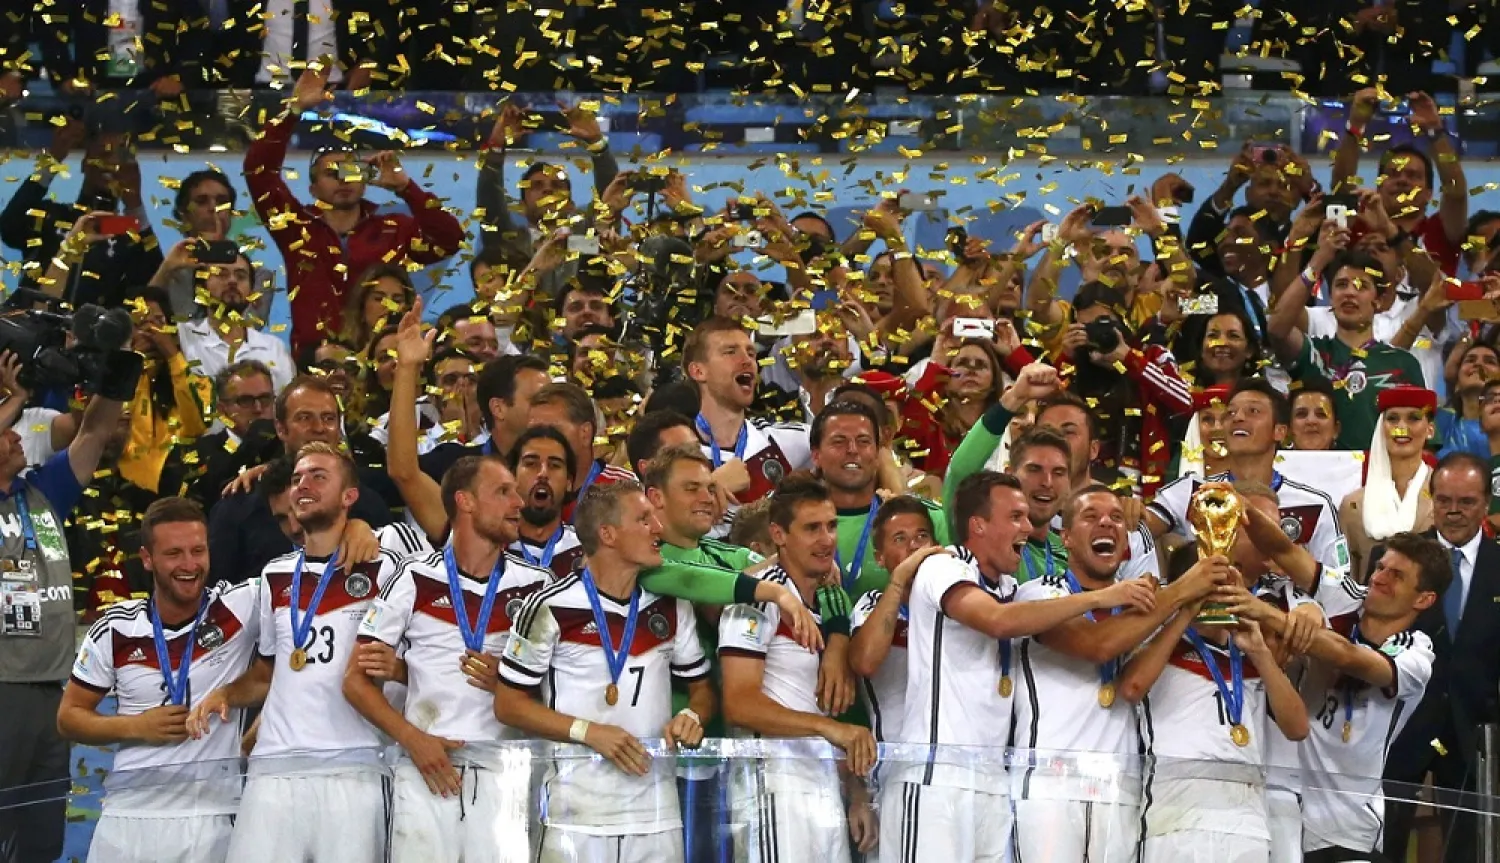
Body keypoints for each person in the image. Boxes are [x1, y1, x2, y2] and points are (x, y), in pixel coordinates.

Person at [883, 471, 1154, 862]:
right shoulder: (943, 568)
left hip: (992, 782)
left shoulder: (1011, 589)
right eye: (1016, 517)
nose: (1028, 527)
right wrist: (1100, 598)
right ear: (978, 525)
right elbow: (997, 621)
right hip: (935, 774)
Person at [193, 444, 407, 863]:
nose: (303, 485)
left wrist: (399, 668)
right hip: (275, 770)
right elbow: (269, 674)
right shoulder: (274, 576)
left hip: (353, 768)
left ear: (350, 497)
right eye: (297, 479)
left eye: (318, 477)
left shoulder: (389, 567)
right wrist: (226, 694)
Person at [346, 455, 553, 862]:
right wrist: (412, 739)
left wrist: (514, 685)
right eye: (503, 492)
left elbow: (559, 693)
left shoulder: (537, 587)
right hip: (425, 769)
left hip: (505, 775)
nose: (519, 502)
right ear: (466, 502)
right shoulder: (412, 576)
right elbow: (354, 681)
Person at [496, 481, 716, 862]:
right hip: (575, 814)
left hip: (656, 814)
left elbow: (702, 690)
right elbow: (508, 704)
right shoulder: (549, 606)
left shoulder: (669, 607)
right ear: (608, 534)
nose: (658, 529)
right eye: (644, 519)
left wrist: (693, 714)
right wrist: (589, 732)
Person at [1012, 485, 1229, 863]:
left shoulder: (1146, 607)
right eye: (1091, 517)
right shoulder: (1039, 594)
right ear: (1066, 538)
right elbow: (1098, 644)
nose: (1107, 524)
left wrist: (1186, 605)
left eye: (1115, 517)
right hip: (1051, 783)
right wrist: (1179, 592)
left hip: (1121, 787)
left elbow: (1134, 682)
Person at [1224, 523, 1446, 861]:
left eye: (1396, 576)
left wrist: (1268, 615)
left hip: (1349, 823)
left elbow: (1348, 656)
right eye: (1380, 567)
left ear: (1423, 598)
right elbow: (1284, 551)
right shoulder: (1344, 598)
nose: (1379, 578)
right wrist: (1238, 504)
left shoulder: (1416, 651)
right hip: (1284, 810)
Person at [1120, 481, 1311, 863]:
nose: (1222, 586)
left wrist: (1260, 651)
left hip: (1248, 822)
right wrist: (1187, 611)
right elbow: (1132, 687)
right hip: (1175, 819)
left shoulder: (1252, 653)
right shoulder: (1162, 643)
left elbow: (1297, 727)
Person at [57, 498, 257, 863]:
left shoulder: (239, 607)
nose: (189, 565)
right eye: (174, 553)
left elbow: (307, 566)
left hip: (209, 817)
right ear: (147, 559)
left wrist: (356, 528)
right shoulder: (115, 628)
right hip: (126, 818)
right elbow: (69, 717)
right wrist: (136, 727)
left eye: (198, 551)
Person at [0, 348, 137, 863]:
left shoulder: (41, 494)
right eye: (8, 429)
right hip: (1, 684)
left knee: (40, 840)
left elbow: (94, 434)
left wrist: (116, 379)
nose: (17, 436)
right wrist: (16, 397)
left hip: (50, 688)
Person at [243, 64, 463, 353]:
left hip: (382, 358)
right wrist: (292, 110)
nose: (342, 180)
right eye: (331, 173)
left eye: (350, 171)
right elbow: (259, 171)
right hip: (315, 362)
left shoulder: (394, 229)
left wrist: (406, 187)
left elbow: (450, 240)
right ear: (312, 188)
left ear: (364, 181)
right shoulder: (296, 227)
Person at [717, 476, 878, 863]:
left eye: (831, 526)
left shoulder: (828, 602)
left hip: (820, 780)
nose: (826, 539)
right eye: (811, 528)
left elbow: (828, 705)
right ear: (779, 534)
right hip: (771, 783)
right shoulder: (756, 597)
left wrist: (854, 790)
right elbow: (739, 703)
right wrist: (827, 728)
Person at [1383, 453, 1500, 863]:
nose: (1453, 511)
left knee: (1471, 848)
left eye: (1466, 502)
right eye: (1444, 499)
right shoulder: (1396, 560)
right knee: (1385, 839)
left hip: (1477, 729)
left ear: (1486, 503)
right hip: (1401, 724)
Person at [207, 377, 394, 585]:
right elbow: (216, 591)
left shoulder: (366, 501)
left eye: (329, 418)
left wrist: (369, 531)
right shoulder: (240, 502)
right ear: (280, 429)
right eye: (305, 418)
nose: (319, 427)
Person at [1149, 378, 1347, 572]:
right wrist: (1130, 514)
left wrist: (1297, 569)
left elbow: (1339, 585)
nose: (1238, 418)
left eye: (1253, 411)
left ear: (1279, 431)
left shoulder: (1316, 504)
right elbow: (1139, 533)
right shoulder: (1193, 490)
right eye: (1231, 412)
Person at [684, 317, 812, 535]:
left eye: (751, 353)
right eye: (730, 352)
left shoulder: (787, 443)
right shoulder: (674, 455)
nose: (747, 361)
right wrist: (708, 489)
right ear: (698, 371)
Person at [848, 497, 949, 745]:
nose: (914, 546)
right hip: (894, 762)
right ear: (879, 557)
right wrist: (899, 579)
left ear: (935, 545)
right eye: (900, 539)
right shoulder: (871, 604)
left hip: (954, 758)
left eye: (921, 536)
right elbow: (865, 662)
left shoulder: (956, 605)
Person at [1340, 386, 1437, 580]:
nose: (1401, 427)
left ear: (1430, 430)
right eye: (1392, 418)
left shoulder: (1445, 496)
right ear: (1380, 427)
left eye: (1414, 418)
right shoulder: (1353, 504)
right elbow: (1347, 576)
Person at [172, 247, 296, 391]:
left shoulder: (275, 348)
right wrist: (168, 266)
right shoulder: (183, 336)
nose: (232, 281)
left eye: (241, 276)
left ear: (252, 291)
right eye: (221, 274)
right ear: (201, 286)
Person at [527, 383, 637, 523]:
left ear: (585, 433)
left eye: (553, 430)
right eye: (533, 432)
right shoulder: (520, 488)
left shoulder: (622, 488)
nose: (541, 440)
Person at [188, 360, 279, 512]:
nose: (258, 408)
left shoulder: (287, 448)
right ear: (222, 410)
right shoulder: (200, 454)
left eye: (265, 399)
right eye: (245, 401)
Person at [507, 427, 583, 579]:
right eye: (531, 464)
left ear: (569, 482)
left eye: (554, 465)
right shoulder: (492, 552)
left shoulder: (587, 550)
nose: (543, 473)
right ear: (512, 476)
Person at [1288, 378, 1342, 451]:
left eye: (1321, 414)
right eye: (1301, 414)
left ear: (1336, 429)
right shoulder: (1271, 462)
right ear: (1288, 428)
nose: (1311, 420)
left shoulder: (1356, 462)